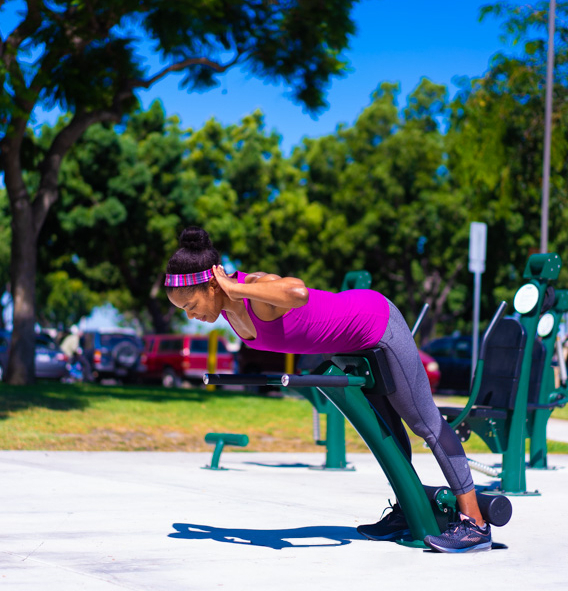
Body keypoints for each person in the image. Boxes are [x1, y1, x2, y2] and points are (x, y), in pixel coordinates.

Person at [165, 226, 492, 554]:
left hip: (376, 323)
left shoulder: (253, 289)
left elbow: (298, 293)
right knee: (387, 432)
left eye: (191, 305)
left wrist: (233, 286)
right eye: (184, 311)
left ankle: (475, 524)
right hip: (349, 346)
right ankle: (408, 510)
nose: (192, 315)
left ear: (212, 285)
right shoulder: (229, 312)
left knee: (425, 423)